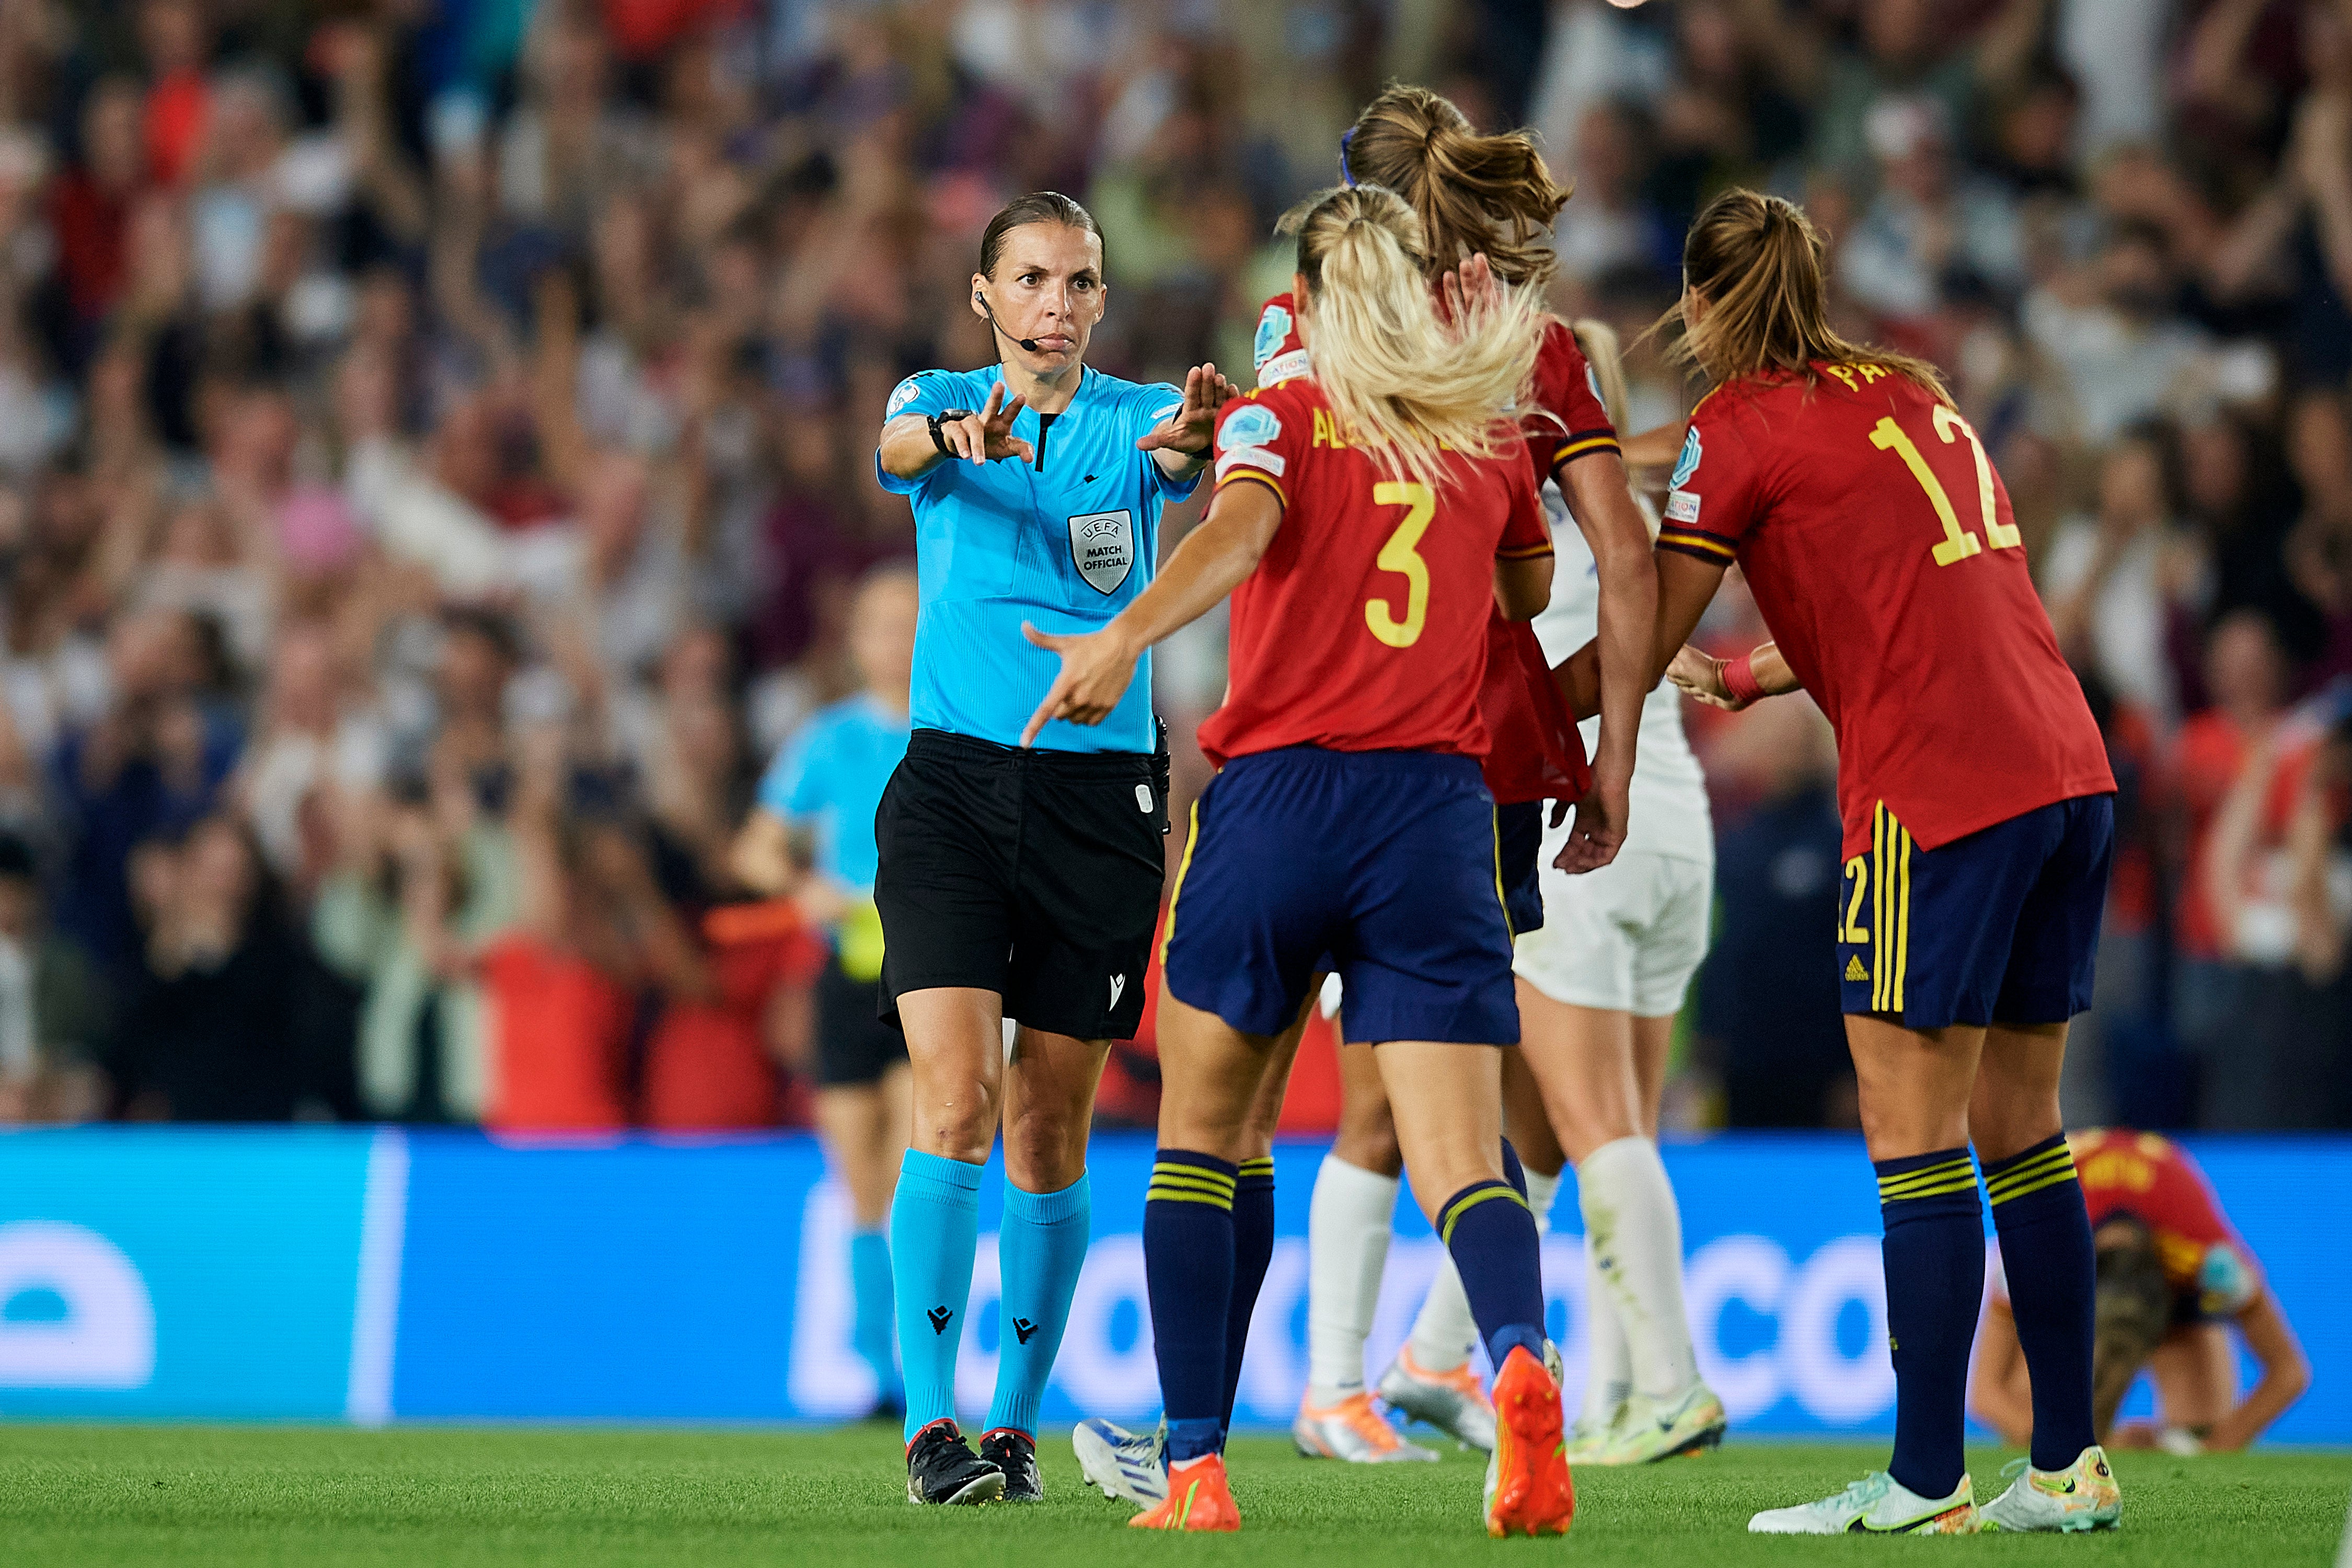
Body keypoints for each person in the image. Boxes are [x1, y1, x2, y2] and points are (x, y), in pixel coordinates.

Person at [1026, 183, 1574, 1537]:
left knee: (1204, 1140)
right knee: (1463, 1159)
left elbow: (1241, 530)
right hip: (1434, 814)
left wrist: (1120, 638)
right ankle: (1516, 1357)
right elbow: (1529, 591)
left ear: (1320, 299)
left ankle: (1196, 1469)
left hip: (1280, 802)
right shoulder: (1479, 425)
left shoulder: (1282, 410)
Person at [1594, 188, 2120, 1534]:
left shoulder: (1738, 422)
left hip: (1931, 801)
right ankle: (2066, 1468)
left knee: (1910, 1135)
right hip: (2063, 773)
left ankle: (1927, 1479)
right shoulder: (1908, 393)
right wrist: (1760, 671)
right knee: (2022, 1132)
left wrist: (1554, 727)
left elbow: (1645, 625)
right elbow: (1914, 591)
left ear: (1698, 305)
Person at [1272, 84, 1681, 1469]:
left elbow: (1258, 508)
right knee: (1449, 1089)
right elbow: (1619, 559)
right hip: (1483, 766)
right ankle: (1402, 1371)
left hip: (1331, 745)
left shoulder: (1309, 320)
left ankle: (1359, 1379)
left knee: (1380, 1094)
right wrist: (1609, 749)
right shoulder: (1541, 347)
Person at [869, 191, 1232, 1506]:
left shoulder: (1137, 416)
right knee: (957, 1097)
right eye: (1030, 279)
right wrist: (955, 434)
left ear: (1100, 299)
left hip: (1100, 802)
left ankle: (1012, 1434)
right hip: (952, 791)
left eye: (1078, 282)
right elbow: (897, 449)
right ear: (984, 296)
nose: (1056, 304)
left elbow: (1182, 457)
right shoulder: (939, 400)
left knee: (1046, 1122)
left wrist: (1196, 442)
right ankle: (929, 1428)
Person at [730, 563, 920, 1420]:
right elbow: (755, 848)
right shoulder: (830, 738)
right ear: (856, 641)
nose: (897, 640)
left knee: (918, 1163)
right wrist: (803, 887)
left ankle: (915, 1355)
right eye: (881, 624)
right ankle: (877, 1361)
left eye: (910, 621)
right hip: (846, 971)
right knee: (862, 1179)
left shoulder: (958, 729)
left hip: (930, 969)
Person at [1969, 1129, 2309, 1456]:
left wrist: (2210, 1446)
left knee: (2201, 1427)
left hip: (2168, 1268)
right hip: (2077, 1258)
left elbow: (2289, 1372)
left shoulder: (2206, 1259)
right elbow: (1987, 1393)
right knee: (2029, 1408)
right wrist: (2056, 1438)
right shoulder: (2039, 1249)